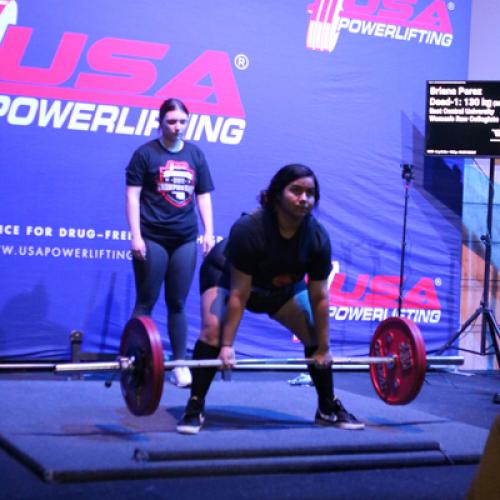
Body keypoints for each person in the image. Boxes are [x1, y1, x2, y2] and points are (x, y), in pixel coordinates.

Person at [176, 164, 364, 434]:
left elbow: (320, 297)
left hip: (278, 286)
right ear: (277, 194)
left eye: (310, 193)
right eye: (296, 191)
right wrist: (227, 346)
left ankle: (327, 406)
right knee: (213, 332)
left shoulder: (317, 237)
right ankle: (195, 404)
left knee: (313, 332)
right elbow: (240, 293)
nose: (304, 198)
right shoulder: (249, 228)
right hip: (227, 277)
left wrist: (323, 347)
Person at [126, 98, 215, 388]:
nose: (177, 128)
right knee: (145, 302)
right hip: (153, 238)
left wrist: (209, 231)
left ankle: (178, 364)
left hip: (185, 238)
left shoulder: (195, 155)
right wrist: (136, 235)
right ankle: (135, 361)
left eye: (182, 122)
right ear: (160, 122)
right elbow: (133, 196)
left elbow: (203, 195)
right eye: (171, 122)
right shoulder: (145, 154)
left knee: (177, 303)